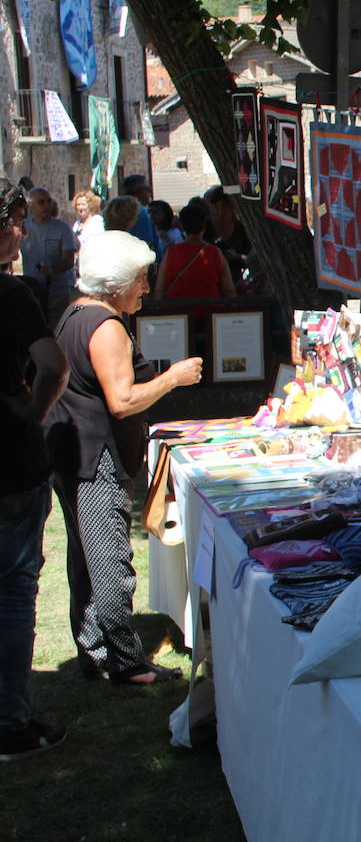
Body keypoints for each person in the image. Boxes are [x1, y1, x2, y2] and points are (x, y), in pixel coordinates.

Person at [47, 232, 202, 685]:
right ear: (115, 283)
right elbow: (123, 400)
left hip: (75, 453)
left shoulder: (74, 314)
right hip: (96, 459)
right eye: (139, 279)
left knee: (87, 560)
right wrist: (173, 378)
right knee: (109, 560)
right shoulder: (105, 325)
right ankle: (124, 660)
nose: (146, 289)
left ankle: (95, 651)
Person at [0, 178, 70, 760]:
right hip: (9, 464)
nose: (22, 232)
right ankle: (11, 723)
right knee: (14, 594)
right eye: (14, 221)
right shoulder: (12, 295)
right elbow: (54, 364)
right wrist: (31, 412)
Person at [18, 187, 78, 327]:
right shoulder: (24, 227)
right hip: (32, 290)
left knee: (57, 330)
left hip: (58, 291)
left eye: (48, 201)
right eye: (41, 202)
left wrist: (52, 270)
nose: (46, 206)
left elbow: (68, 260)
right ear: (31, 205)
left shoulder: (62, 228)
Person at [154, 202, 235, 300]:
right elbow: (229, 291)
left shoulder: (171, 253)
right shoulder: (215, 253)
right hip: (211, 310)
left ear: (182, 226)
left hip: (178, 311)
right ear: (204, 226)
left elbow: (160, 290)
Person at [204, 186, 251, 291]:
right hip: (211, 282)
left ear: (232, 207)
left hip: (237, 284)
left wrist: (236, 257)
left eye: (224, 207)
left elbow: (250, 257)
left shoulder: (242, 229)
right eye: (216, 207)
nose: (220, 212)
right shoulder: (206, 228)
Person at [120, 175, 163, 262]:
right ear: (139, 191)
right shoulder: (141, 213)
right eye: (147, 188)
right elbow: (146, 246)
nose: (150, 191)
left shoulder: (118, 211)